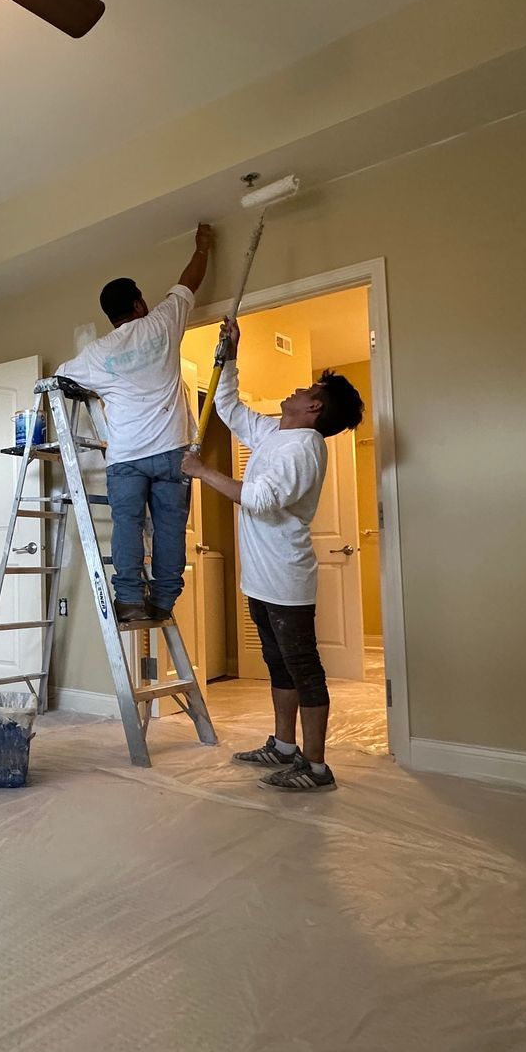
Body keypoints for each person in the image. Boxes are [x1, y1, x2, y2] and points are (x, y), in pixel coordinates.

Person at [181, 318, 365, 791]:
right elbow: (226, 406)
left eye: (307, 387)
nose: (297, 388)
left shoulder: (302, 449)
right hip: (261, 578)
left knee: (303, 667)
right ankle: (284, 747)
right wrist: (232, 353)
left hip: (285, 577)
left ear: (315, 406)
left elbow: (260, 500)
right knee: (278, 664)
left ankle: (316, 767)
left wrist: (202, 472)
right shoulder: (275, 433)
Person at [57, 223, 214, 624]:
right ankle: (162, 602)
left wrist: (99, 390)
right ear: (140, 303)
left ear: (111, 316)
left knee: (126, 525)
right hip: (171, 452)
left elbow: (59, 378)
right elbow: (188, 282)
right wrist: (202, 246)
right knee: (170, 528)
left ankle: (128, 600)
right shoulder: (162, 322)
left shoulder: (97, 353)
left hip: (126, 457)